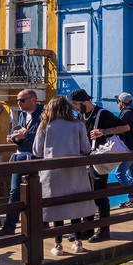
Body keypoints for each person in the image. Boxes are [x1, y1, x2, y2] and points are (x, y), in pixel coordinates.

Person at [32, 95, 93, 255]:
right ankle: (78, 242)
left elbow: (37, 151)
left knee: (56, 208)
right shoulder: (78, 125)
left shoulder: (45, 125)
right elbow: (86, 149)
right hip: (75, 171)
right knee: (75, 207)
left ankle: (58, 245)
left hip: (53, 173)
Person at [68, 89, 124, 242]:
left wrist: (104, 131)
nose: (74, 108)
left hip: (98, 158)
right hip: (85, 159)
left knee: (100, 195)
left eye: (75, 105)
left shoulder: (102, 113)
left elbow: (125, 127)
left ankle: (104, 230)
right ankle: (87, 229)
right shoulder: (81, 115)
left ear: (84, 102)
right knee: (86, 195)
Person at [0, 89, 43, 237]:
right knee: (14, 192)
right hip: (21, 156)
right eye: (17, 101)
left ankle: (42, 224)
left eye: (22, 100)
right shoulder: (22, 115)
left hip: (37, 157)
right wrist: (14, 138)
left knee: (39, 192)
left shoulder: (44, 114)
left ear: (33, 100)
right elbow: (22, 133)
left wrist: (25, 134)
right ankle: (10, 226)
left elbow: (46, 135)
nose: (18, 103)